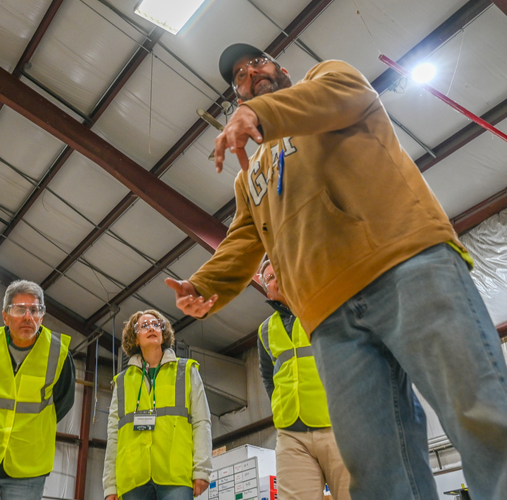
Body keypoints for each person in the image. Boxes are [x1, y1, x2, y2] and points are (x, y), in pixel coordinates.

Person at [166, 42, 507, 500]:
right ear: (237, 97)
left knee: (481, 418)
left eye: (257, 62)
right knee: (375, 469)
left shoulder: (329, 79)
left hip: (405, 264)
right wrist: (202, 284)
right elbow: (246, 237)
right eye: (239, 76)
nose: (250, 73)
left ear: (281, 68)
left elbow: (340, 97)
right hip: (328, 318)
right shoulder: (250, 176)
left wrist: (262, 115)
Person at [0, 280, 75, 500]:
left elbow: (63, 402)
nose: (28, 316)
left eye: (34, 310)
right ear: (5, 316)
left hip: (28, 466)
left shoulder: (59, 354)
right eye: (19, 309)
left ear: (42, 316)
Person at [256, 258, 349, 500]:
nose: (278, 280)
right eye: (271, 278)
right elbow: (269, 377)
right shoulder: (265, 330)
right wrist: (280, 407)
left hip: (338, 425)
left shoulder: (326, 307)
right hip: (291, 435)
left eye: (282, 272)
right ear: (266, 287)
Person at [103, 309, 211, 500]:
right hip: (132, 478)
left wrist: (201, 469)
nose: (151, 328)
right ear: (135, 339)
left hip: (175, 475)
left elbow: (202, 422)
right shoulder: (122, 382)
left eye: (156, 324)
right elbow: (114, 435)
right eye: (144, 326)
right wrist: (110, 485)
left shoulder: (186, 371)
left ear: (163, 334)